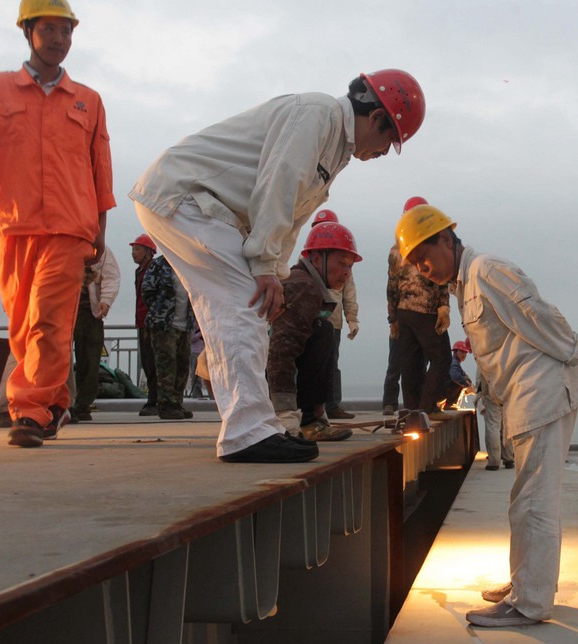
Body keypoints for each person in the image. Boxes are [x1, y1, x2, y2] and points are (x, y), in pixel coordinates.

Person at [129, 69, 424, 463]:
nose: (385, 151)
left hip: (196, 204)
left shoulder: (335, 146)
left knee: (232, 309)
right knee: (244, 304)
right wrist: (264, 267)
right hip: (186, 197)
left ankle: (253, 426)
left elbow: (291, 215)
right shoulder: (318, 115)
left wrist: (276, 274)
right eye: (390, 140)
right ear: (375, 118)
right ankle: (247, 433)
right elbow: (278, 183)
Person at [395, 203, 578, 628]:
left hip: (544, 393)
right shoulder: (463, 285)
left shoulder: (486, 270)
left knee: (535, 502)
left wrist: (575, 348)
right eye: (414, 263)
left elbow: (537, 311)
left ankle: (531, 602)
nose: (422, 268)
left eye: (424, 256)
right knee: (523, 499)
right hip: (527, 398)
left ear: (447, 240)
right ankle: (526, 581)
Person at [0, 0, 115, 448]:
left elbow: (101, 170)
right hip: (12, 225)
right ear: (27, 31)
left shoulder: (88, 101)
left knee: (47, 319)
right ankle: (54, 402)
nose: (60, 39)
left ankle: (31, 411)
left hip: (68, 227)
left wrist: (99, 227)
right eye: (50, 29)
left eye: (67, 31)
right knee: (23, 326)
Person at [268, 221, 359, 442]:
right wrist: (285, 415)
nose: (347, 272)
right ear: (317, 259)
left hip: (252, 371)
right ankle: (308, 420)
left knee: (322, 330)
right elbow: (281, 352)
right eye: (342, 264)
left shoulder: (304, 282)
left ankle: (312, 419)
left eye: (350, 266)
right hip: (246, 376)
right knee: (323, 333)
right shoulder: (303, 287)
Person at [387, 196, 452, 419]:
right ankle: (425, 408)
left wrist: (393, 318)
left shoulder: (396, 250)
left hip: (404, 312)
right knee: (441, 357)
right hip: (426, 310)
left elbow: (392, 285)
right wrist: (444, 308)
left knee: (409, 362)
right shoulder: (427, 242)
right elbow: (441, 277)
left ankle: (412, 409)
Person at [311, 209, 359, 420]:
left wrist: (352, 319)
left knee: (331, 363)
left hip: (334, 322)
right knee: (312, 362)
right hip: (312, 320)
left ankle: (331, 405)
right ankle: (311, 407)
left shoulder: (343, 266)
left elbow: (349, 293)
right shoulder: (308, 264)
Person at [140, 251, 194, 420]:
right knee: (166, 364)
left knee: (182, 364)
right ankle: (165, 405)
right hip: (163, 324)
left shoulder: (189, 264)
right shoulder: (159, 264)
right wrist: (160, 309)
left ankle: (176, 402)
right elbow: (147, 290)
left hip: (184, 324)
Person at [71, 245, 119, 421]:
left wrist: (105, 301)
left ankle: (83, 404)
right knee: (59, 359)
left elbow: (111, 277)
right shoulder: (63, 246)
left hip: (90, 314)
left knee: (90, 360)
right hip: (65, 312)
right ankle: (62, 403)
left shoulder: (102, 251)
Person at [129, 233, 158, 416]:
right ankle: (153, 399)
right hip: (142, 321)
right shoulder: (139, 271)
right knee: (147, 362)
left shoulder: (153, 269)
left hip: (151, 322)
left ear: (148, 252)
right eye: (133, 250)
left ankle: (155, 400)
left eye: (137, 249)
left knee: (154, 362)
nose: (133, 253)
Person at [478, 372, 514, 471]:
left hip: (491, 392)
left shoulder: (485, 356)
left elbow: (481, 376)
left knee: (493, 427)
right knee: (506, 426)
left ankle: (494, 462)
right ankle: (509, 459)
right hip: (507, 392)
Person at [446, 338, 474, 406]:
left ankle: (450, 404)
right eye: (462, 352)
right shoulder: (454, 362)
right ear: (455, 352)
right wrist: (467, 385)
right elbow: (455, 376)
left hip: (441, 390)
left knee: (462, 381)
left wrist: (467, 380)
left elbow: (461, 374)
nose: (464, 354)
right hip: (443, 391)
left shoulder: (454, 363)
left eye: (465, 352)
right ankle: (450, 404)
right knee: (459, 382)